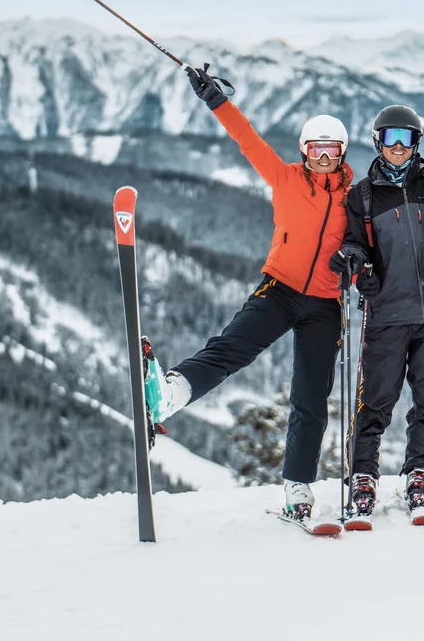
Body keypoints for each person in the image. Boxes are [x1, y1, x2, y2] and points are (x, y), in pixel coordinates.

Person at [144, 65, 353, 522]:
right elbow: (248, 139)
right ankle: (170, 395)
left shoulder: (354, 199)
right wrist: (215, 100)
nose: (323, 157)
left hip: (325, 305)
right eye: (315, 148)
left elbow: (368, 247)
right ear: (304, 150)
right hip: (279, 289)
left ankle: (298, 488)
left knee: (311, 397)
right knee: (231, 348)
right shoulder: (285, 179)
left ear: (342, 153)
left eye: (332, 149)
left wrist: (357, 266)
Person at [329, 105, 424, 519]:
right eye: (389, 138)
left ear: (417, 143)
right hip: (385, 313)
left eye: (406, 138)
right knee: (375, 401)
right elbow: (354, 242)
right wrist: (355, 265)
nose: (397, 147)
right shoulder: (363, 195)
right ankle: (363, 474)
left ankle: (420, 470)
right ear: (377, 141)